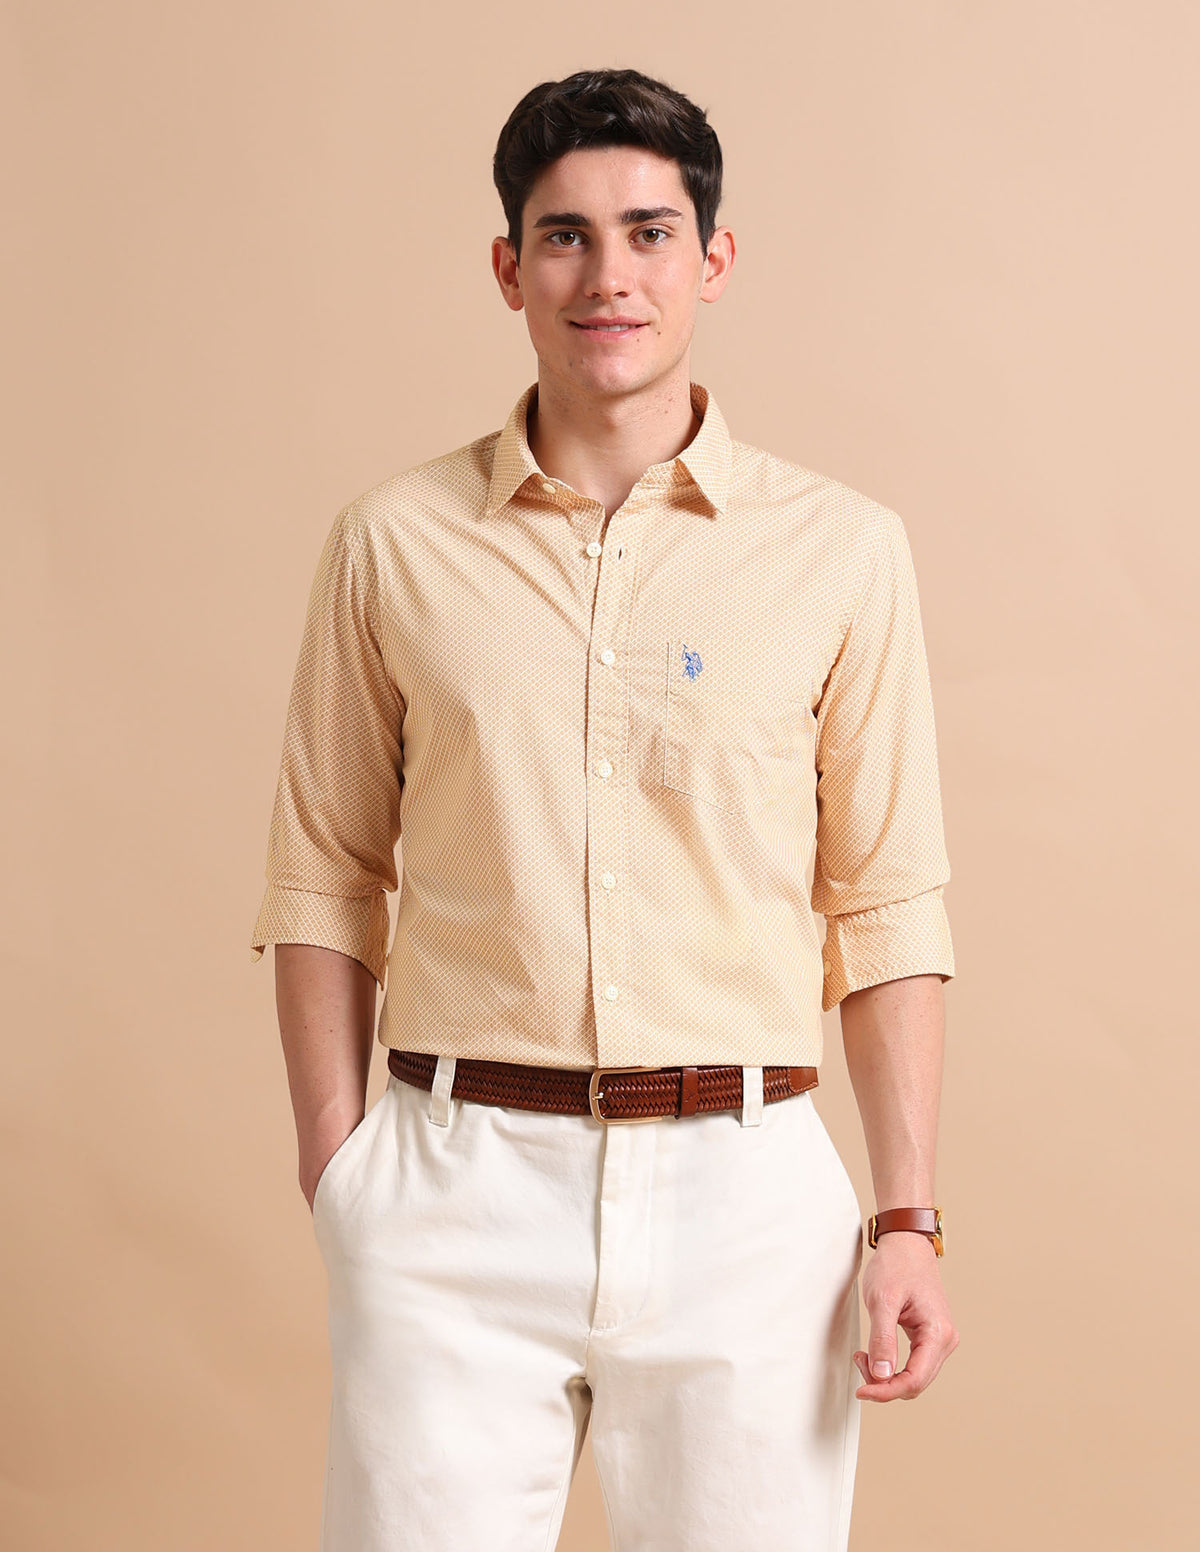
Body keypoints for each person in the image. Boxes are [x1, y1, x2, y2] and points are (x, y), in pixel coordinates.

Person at [249, 65, 960, 1552]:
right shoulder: (392, 543)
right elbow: (325, 871)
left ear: (715, 258)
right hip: (451, 1187)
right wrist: (340, 1165)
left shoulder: (842, 551)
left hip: (747, 1201)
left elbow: (885, 900)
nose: (609, 275)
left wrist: (906, 1216)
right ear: (509, 268)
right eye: (564, 235)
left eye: (649, 232)